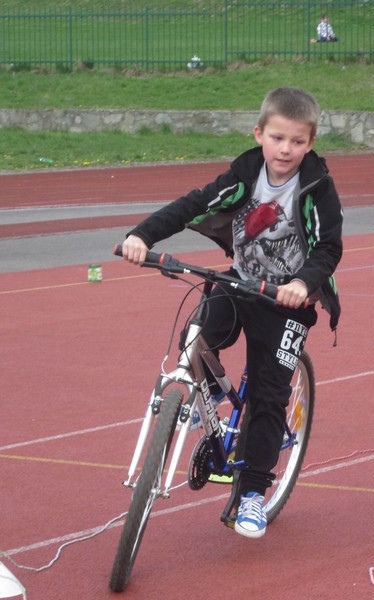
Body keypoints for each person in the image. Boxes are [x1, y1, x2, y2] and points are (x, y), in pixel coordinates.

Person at [120, 87, 343, 539]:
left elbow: (328, 246)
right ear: (259, 134)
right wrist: (142, 236)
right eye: (277, 138)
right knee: (196, 338)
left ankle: (254, 493)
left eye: (297, 141)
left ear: (311, 143)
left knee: (268, 393)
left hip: (287, 303)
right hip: (240, 281)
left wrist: (302, 284)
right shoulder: (244, 174)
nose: (286, 149)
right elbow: (193, 204)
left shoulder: (317, 187)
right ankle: (204, 401)